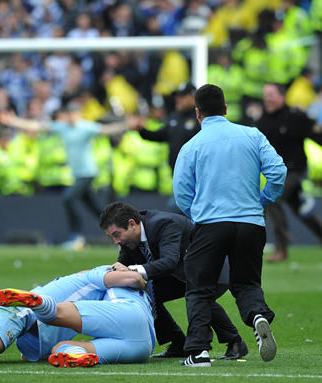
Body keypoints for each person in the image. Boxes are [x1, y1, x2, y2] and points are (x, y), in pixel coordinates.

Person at [173, 84, 287, 367]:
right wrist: (262, 200)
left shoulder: (192, 146)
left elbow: (182, 192)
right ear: (226, 109)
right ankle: (257, 315)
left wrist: (197, 213)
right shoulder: (252, 135)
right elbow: (278, 171)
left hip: (210, 223)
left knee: (199, 288)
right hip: (250, 223)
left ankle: (198, 352)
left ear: (197, 113)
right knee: (246, 283)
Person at [100, 202, 247, 360]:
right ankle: (178, 343)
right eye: (112, 237)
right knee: (144, 294)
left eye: (117, 234)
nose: (116, 242)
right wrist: (109, 273)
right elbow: (123, 265)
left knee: (199, 297)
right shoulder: (130, 238)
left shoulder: (164, 223)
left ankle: (236, 343)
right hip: (184, 274)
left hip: (213, 271)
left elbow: (169, 262)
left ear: (132, 224)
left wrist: (131, 271)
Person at [0, 265, 151, 365]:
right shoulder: (102, 276)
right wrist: (135, 273)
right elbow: (131, 280)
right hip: (15, 309)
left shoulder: (84, 282)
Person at [0, 101, 132, 250]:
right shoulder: (63, 128)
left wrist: (126, 124)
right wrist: (14, 121)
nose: (72, 116)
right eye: (69, 113)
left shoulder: (85, 127)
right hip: (77, 175)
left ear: (80, 114)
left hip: (88, 173)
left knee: (68, 198)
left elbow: (107, 130)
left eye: (74, 113)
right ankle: (121, 237)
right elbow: (38, 126)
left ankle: (77, 237)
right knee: (96, 210)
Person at [0, 278, 155, 367]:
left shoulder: (113, 277)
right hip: (143, 348)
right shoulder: (141, 291)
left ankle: (39, 303)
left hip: (127, 314)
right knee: (60, 348)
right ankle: (76, 354)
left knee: (58, 313)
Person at [256, 82, 322, 262]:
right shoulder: (262, 122)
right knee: (301, 208)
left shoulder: (295, 116)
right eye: (265, 95)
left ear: (282, 96)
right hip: (275, 174)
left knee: (272, 198)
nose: (267, 98)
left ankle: (281, 248)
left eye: (271, 94)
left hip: (292, 171)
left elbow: (317, 135)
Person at [130, 82, 201, 214]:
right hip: (178, 175)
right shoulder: (174, 117)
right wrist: (142, 130)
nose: (178, 99)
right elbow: (160, 136)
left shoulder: (200, 118)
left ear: (193, 98)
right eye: (177, 96)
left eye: (182, 96)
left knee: (176, 208)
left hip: (196, 175)